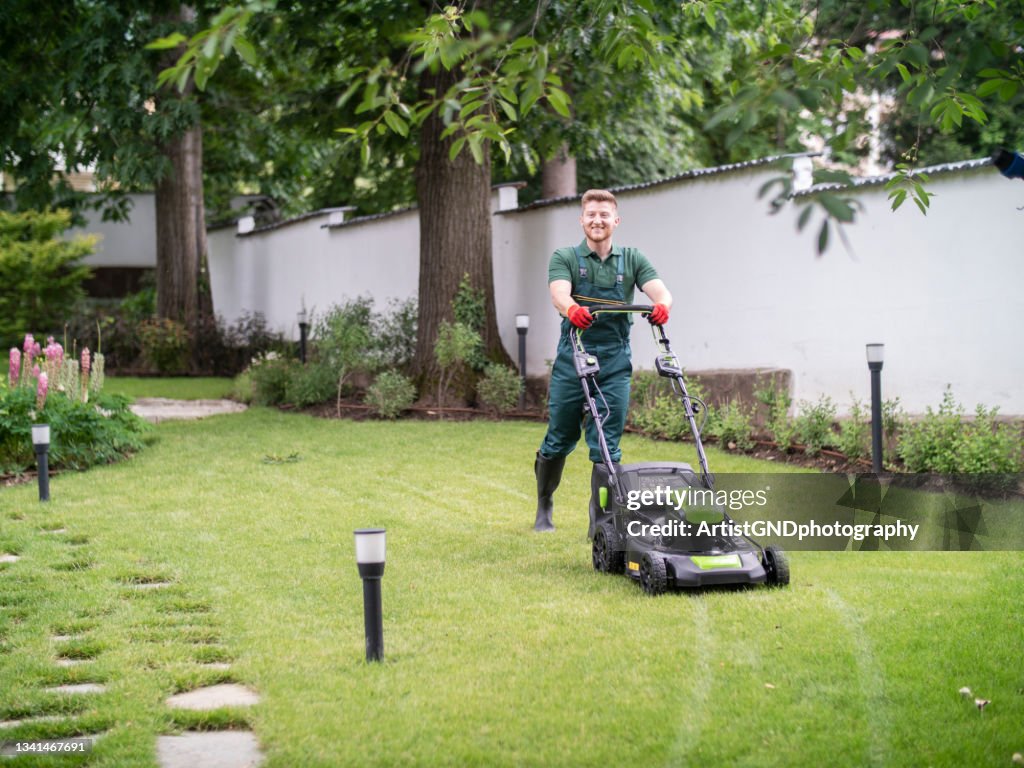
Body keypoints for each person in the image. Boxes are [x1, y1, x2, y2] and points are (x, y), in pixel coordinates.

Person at [533, 189, 672, 533]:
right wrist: (572, 309)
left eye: (604, 215)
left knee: (607, 440)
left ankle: (603, 524)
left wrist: (662, 306)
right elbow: (558, 293)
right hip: (574, 357)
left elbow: (660, 290)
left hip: (614, 361)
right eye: (591, 215)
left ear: (616, 221)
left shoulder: (632, 259)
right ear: (582, 220)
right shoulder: (565, 257)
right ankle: (544, 503)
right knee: (560, 437)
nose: (598, 220)